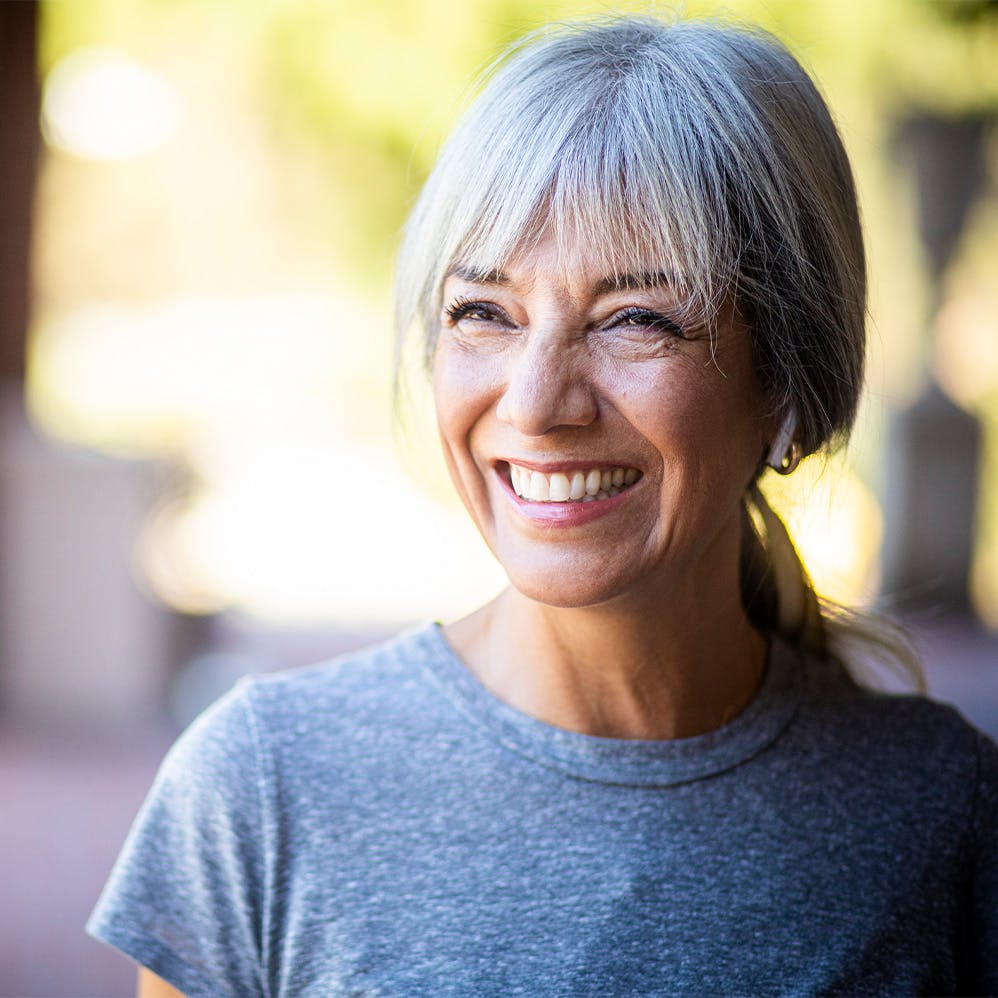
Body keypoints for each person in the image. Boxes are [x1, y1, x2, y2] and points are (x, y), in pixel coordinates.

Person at [88, 15, 998, 997]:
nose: (533, 402)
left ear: (785, 382)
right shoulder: (258, 789)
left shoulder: (943, 816)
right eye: (484, 312)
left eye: (634, 320)